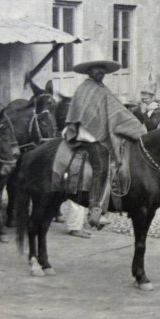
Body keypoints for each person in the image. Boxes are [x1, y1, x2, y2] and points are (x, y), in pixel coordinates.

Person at [63, 58, 146, 228]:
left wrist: (136, 129)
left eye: (102, 69)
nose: (100, 72)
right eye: (96, 69)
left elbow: (117, 112)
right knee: (101, 168)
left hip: (96, 136)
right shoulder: (85, 89)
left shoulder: (101, 89)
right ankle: (95, 209)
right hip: (88, 138)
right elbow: (84, 114)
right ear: (89, 71)